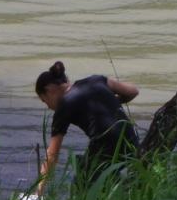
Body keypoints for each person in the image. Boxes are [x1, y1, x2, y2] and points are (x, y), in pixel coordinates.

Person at [34, 60, 140, 191]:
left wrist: (39, 190)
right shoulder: (96, 80)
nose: (48, 107)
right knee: (86, 164)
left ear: (49, 90)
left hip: (106, 150)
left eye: (45, 101)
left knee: (80, 184)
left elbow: (52, 154)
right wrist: (111, 103)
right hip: (132, 143)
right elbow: (133, 91)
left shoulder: (64, 106)